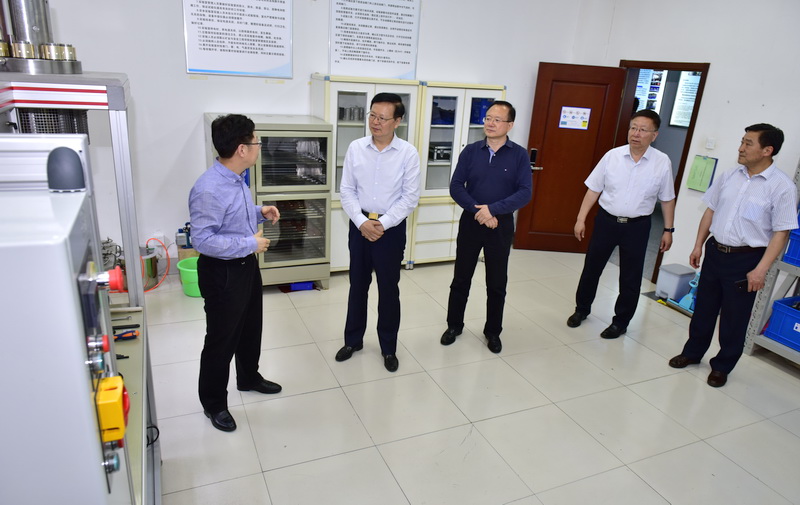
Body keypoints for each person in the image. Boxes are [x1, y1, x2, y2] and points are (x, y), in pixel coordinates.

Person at [669, 123, 797, 387]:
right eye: (742, 142)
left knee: (734, 318)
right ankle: (692, 352)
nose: (741, 148)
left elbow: (781, 233)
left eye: (748, 143)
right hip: (716, 251)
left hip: (747, 259)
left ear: (767, 150)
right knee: (703, 309)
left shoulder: (781, 186)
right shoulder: (730, 175)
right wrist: (698, 245)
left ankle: (722, 366)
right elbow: (710, 211)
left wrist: (761, 269)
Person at [189, 114, 282, 432]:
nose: (258, 146)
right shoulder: (208, 189)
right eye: (256, 141)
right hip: (222, 272)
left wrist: (259, 212)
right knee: (221, 339)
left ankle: (248, 377)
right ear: (242, 148)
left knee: (250, 327)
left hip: (245, 266)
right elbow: (202, 240)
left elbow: (232, 216)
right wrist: (250, 243)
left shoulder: (236, 177)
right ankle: (214, 403)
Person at [566, 109, 676, 339]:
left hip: (637, 227)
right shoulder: (612, 156)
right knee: (591, 269)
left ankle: (620, 322)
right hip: (606, 222)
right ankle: (581, 310)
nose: (636, 133)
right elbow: (593, 189)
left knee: (630, 277)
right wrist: (580, 218)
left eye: (643, 130)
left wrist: (668, 229)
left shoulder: (661, 162)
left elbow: (667, 198)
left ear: (654, 135)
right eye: (633, 128)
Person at [335, 93, 421, 372]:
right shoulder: (356, 148)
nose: (375, 122)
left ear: (398, 121)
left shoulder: (408, 153)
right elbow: (346, 190)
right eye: (372, 115)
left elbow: (410, 197)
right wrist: (362, 222)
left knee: (388, 290)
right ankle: (353, 341)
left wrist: (382, 224)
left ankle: (388, 347)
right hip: (359, 225)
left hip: (390, 230)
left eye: (383, 118)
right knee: (357, 286)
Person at [440, 100, 532, 353]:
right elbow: (456, 186)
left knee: (497, 282)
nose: (490, 123)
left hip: (500, 225)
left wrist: (493, 210)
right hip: (471, 222)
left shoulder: (519, 155)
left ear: (510, 125)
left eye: (497, 119)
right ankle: (454, 326)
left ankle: (493, 332)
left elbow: (525, 192)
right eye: (488, 118)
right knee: (461, 278)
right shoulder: (471, 151)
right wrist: (479, 211)